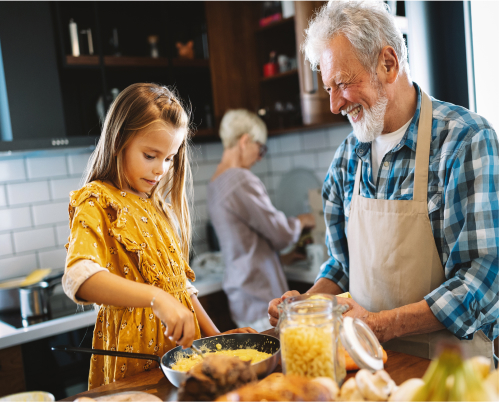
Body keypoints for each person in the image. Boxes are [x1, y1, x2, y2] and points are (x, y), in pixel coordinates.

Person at [268, 0, 498, 361]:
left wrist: (384, 324)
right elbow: (342, 265)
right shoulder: (347, 157)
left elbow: (484, 277)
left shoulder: (465, 139)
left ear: (388, 64)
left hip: (451, 369)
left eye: (341, 83)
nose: (334, 105)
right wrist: (308, 303)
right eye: (329, 88)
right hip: (367, 363)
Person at [62, 83, 256, 389]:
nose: (162, 170)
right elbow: (78, 277)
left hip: (180, 358)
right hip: (134, 363)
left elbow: (180, 287)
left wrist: (218, 338)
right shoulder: (97, 201)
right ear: (119, 141)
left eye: (170, 158)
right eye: (151, 155)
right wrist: (156, 299)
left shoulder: (157, 207)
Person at [207, 109, 316, 332]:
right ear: (245, 141)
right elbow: (281, 233)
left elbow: (244, 239)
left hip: (240, 293)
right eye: (260, 148)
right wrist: (302, 221)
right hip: (260, 296)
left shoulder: (214, 183)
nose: (259, 156)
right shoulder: (240, 179)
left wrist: (280, 259)